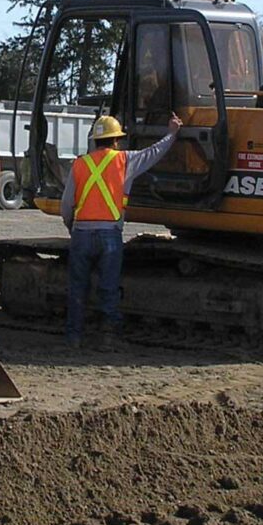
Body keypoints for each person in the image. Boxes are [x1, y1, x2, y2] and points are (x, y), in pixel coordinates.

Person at [60, 113, 183, 350]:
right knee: (108, 287)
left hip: (82, 234)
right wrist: (172, 134)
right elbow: (153, 153)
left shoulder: (80, 164)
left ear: (95, 141)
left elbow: (67, 205)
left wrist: (71, 227)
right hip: (110, 236)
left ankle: (74, 337)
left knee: (77, 287)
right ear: (116, 140)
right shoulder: (125, 160)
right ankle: (108, 337)